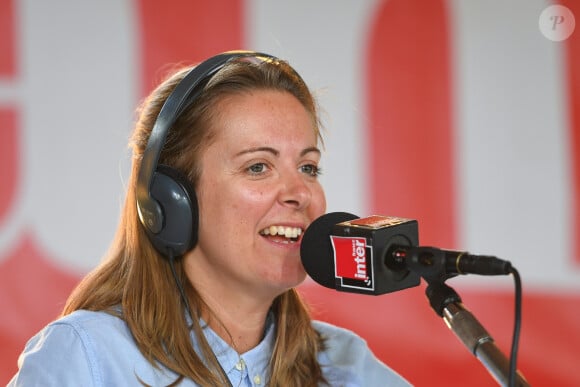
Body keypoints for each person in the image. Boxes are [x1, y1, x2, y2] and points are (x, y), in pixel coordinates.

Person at [9, 51, 411, 386]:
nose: (301, 194)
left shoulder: (348, 367)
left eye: (308, 167)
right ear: (171, 200)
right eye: (258, 167)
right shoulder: (88, 358)